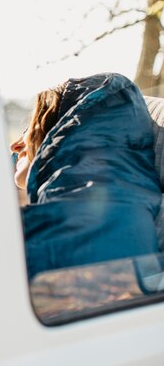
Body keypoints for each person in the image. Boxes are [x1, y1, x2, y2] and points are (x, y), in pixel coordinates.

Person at [9, 72, 161, 279]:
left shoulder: (101, 215)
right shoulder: (101, 201)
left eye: (28, 128)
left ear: (62, 134)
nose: (15, 145)